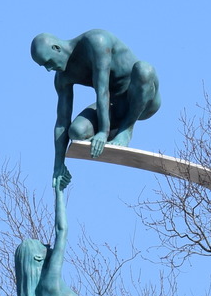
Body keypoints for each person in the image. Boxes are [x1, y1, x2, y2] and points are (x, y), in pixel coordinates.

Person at [29, 29, 160, 190]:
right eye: (44, 66)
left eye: (48, 62)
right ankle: (113, 130)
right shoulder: (62, 77)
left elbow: (102, 88)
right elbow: (62, 121)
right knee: (76, 132)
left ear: (56, 48)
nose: (49, 69)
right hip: (114, 106)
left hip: (143, 100)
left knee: (144, 70)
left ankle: (126, 130)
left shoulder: (96, 41)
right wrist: (59, 165)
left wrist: (103, 132)